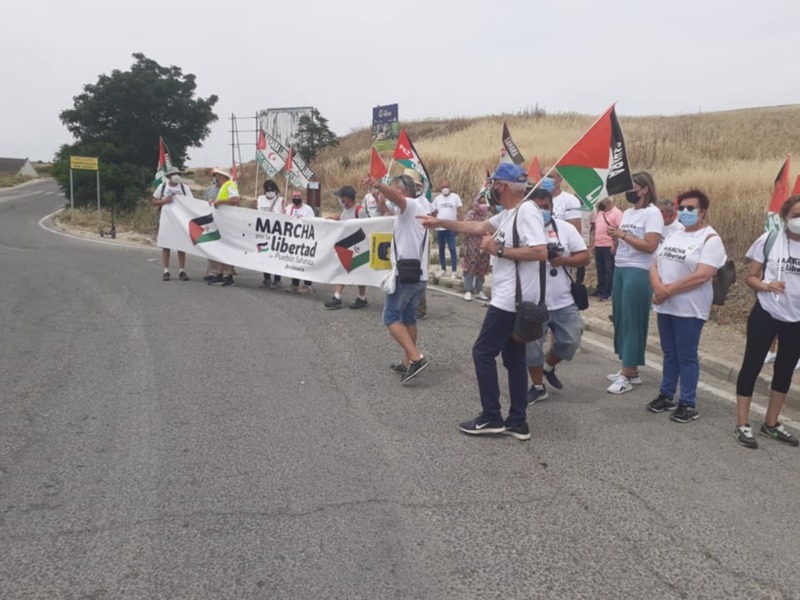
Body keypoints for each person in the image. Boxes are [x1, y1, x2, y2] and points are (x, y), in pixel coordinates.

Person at [420, 163, 547, 441]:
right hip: (512, 299)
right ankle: (518, 422)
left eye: (492, 184)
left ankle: (491, 416)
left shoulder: (526, 212)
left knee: (482, 353)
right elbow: (476, 226)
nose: (490, 189)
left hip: (510, 301)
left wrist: (497, 249)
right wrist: (439, 222)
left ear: (502, 186)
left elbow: (540, 251)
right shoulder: (508, 214)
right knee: (514, 359)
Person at [648, 190, 727, 422]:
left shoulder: (710, 239)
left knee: (686, 355)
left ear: (703, 212)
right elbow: (654, 264)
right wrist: (657, 287)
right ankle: (666, 394)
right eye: (681, 208)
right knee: (669, 353)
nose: (685, 212)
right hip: (666, 305)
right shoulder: (674, 234)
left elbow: (703, 275)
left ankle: (688, 402)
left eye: (691, 208)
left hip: (690, 308)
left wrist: (667, 291)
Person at [733, 195, 800, 449]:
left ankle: (771, 423)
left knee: (785, 370)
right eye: (796, 215)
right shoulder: (769, 240)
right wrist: (767, 285)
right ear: (785, 217)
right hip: (767, 312)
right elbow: (751, 277)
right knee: (751, 365)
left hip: (796, 318)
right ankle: (742, 423)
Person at [362, 173, 430, 384]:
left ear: (402, 191)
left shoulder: (411, 205)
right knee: (408, 319)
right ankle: (408, 362)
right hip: (418, 275)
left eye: (392, 188)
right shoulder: (411, 209)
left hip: (406, 276)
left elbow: (399, 199)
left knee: (391, 317)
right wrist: (380, 199)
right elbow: (387, 209)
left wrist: (379, 185)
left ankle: (416, 358)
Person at [525, 188, 590, 404]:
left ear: (553, 207)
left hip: (563, 300)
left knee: (571, 340)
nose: (543, 211)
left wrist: (565, 261)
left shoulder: (565, 228)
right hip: (534, 301)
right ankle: (537, 387)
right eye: (538, 207)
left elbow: (585, 257)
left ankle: (548, 367)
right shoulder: (522, 230)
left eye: (546, 207)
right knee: (532, 348)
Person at [605, 172, 663, 393]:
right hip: (621, 266)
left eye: (633, 187)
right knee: (621, 318)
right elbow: (624, 240)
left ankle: (627, 373)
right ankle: (631, 368)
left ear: (645, 189)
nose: (629, 192)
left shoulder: (652, 213)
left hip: (639, 269)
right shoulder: (628, 212)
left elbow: (650, 246)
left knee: (632, 320)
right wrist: (616, 238)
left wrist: (623, 235)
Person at [324, 185, 369, 309]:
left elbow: (367, 227)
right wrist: (335, 218)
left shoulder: (359, 211)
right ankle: (337, 296)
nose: (340, 199)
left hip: (358, 247)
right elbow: (344, 219)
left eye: (341, 197)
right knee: (342, 269)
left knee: (360, 273)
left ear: (348, 198)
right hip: (347, 245)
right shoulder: (346, 209)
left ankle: (362, 297)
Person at [152, 166, 192, 281]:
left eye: (178, 174)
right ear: (169, 176)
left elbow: (191, 202)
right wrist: (163, 201)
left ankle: (182, 270)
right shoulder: (162, 187)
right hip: (167, 220)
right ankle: (166, 270)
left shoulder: (184, 188)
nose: (176, 176)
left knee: (181, 245)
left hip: (181, 220)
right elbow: (154, 201)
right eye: (174, 174)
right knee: (166, 245)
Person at [206, 168, 240, 287]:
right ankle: (220, 274)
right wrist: (215, 201)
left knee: (227, 248)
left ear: (223, 176)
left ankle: (229, 276)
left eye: (218, 176)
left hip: (228, 222)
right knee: (220, 248)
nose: (216, 178)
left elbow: (235, 199)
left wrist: (219, 202)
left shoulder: (230, 185)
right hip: (222, 222)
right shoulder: (224, 187)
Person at [284, 189, 315, 294]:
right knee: (295, 262)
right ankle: (294, 284)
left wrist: (304, 219)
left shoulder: (308, 209)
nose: (297, 198)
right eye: (295, 196)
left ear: (302, 198)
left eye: (298, 196)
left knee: (306, 263)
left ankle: (307, 285)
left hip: (305, 241)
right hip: (292, 241)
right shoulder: (288, 208)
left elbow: (313, 223)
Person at [461, 193, 491, 302]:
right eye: (481, 203)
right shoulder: (471, 215)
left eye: (484, 203)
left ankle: (479, 290)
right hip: (472, 245)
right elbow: (465, 227)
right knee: (470, 267)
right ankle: (468, 290)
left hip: (484, 245)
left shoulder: (488, 215)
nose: (483, 205)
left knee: (482, 267)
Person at [256, 179, 285, 288]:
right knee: (264, 255)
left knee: (276, 257)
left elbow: (284, 214)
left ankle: (277, 279)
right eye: (268, 190)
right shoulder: (260, 199)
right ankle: (266, 278)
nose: (270, 192)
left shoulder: (280, 200)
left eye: (272, 190)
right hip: (263, 231)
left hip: (276, 232)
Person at [431, 180, 463, 277]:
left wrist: (459, 226)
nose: (445, 189)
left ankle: (454, 271)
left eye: (446, 187)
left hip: (451, 227)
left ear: (450, 187)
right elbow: (433, 211)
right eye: (443, 187)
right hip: (440, 228)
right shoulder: (437, 199)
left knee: (452, 248)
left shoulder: (455, 197)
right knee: (441, 249)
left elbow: (460, 211)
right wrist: (434, 221)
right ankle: (443, 269)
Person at [593, 197, 622, 300]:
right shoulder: (600, 213)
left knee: (609, 269)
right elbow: (597, 229)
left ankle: (609, 291)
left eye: (603, 202)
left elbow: (619, 229)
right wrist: (594, 244)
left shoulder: (617, 213)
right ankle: (600, 288)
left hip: (609, 245)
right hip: (598, 245)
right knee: (600, 268)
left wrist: (615, 245)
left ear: (608, 203)